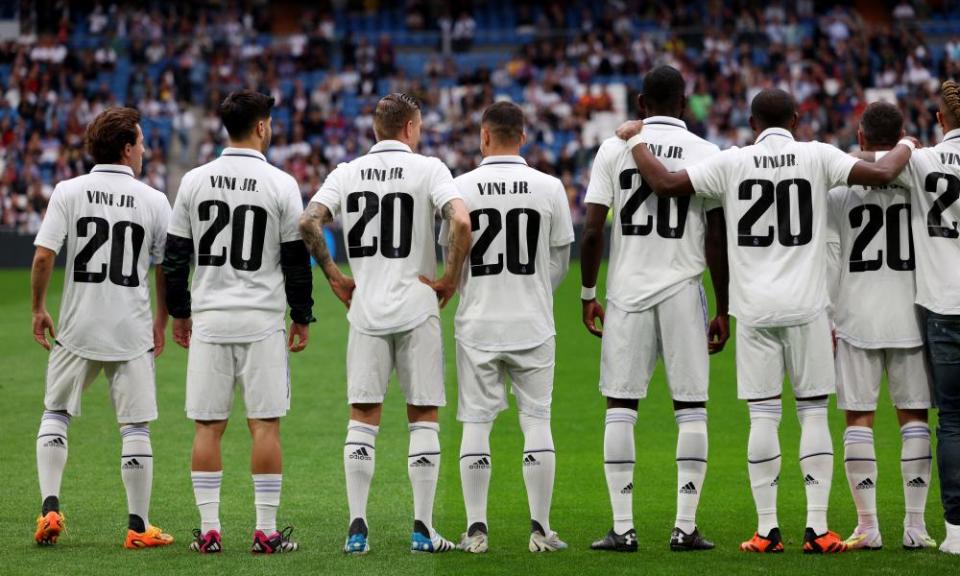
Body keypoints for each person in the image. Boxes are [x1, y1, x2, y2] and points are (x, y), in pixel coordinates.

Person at [616, 87, 913, 554]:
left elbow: (667, 184)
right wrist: (910, 144)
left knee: (763, 414)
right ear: (796, 119)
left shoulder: (731, 162)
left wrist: (635, 142)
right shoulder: (817, 155)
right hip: (807, 306)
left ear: (752, 124)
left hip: (753, 309)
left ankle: (766, 529)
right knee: (812, 411)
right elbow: (881, 171)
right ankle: (817, 529)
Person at [299, 93, 471, 554]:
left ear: (376, 129)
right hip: (418, 306)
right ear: (411, 128)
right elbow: (461, 223)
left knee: (363, 416)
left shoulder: (345, 172)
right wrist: (449, 279)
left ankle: (357, 528)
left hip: (367, 309)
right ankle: (422, 528)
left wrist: (334, 275)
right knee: (423, 415)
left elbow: (308, 223)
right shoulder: (430, 168)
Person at [580, 66, 729, 553]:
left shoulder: (613, 147)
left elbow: (593, 229)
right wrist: (724, 306)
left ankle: (622, 528)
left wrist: (587, 293)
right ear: (685, 105)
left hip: (628, 291)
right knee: (691, 409)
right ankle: (685, 527)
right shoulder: (707, 152)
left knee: (620, 408)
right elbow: (716, 236)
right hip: (684, 288)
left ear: (641, 103)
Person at [164, 90, 314, 554]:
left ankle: (209, 532)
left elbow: (174, 259)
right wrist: (302, 316)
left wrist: (180, 314)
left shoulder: (193, 180)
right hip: (261, 319)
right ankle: (265, 532)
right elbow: (295, 259)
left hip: (210, 318)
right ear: (263, 126)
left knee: (208, 427)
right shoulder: (281, 183)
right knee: (264, 426)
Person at [31, 107, 174, 549]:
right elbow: (166, 268)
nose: (146, 149)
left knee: (56, 412)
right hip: (130, 330)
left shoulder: (68, 191)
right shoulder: (154, 200)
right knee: (135, 427)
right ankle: (137, 526)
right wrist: (162, 320)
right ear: (127, 148)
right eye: (142, 142)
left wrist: (38, 308)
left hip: (77, 326)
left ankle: (50, 509)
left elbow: (42, 256)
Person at [450, 101, 574, 554]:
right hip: (532, 321)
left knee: (477, 423)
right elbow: (559, 259)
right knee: (537, 420)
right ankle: (540, 529)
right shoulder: (550, 186)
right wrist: (537, 289)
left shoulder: (459, 187)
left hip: (478, 320)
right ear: (523, 136)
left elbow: (449, 255)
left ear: (484, 137)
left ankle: (476, 529)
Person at [825, 101, 936, 551]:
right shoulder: (920, 184)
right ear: (904, 133)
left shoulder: (838, 190)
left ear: (862, 136)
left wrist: (831, 315)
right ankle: (915, 526)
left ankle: (868, 525)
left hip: (856, 315)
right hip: (912, 311)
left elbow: (831, 258)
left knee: (859, 418)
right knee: (914, 418)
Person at [872, 81, 960, 555]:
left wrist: (906, 143)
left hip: (944, 306)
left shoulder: (922, 162)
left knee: (953, 420)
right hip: (942, 307)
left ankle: (957, 532)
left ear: (940, 121)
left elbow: (876, 172)